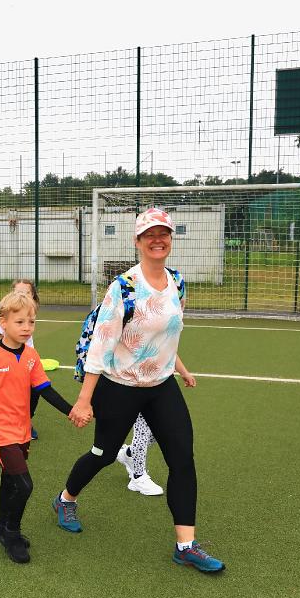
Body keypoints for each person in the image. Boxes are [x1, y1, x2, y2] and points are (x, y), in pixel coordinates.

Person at [53, 208, 224, 574]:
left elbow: (166, 334)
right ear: (138, 241)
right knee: (103, 454)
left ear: (171, 239)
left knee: (182, 459)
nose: (157, 240)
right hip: (119, 386)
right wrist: (84, 400)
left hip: (160, 386)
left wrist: (180, 369)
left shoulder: (177, 282)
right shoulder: (124, 287)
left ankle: (186, 546)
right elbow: (101, 345)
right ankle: (66, 499)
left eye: (163, 234)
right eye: (150, 235)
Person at [0, 291, 80, 563]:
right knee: (24, 485)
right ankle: (12, 535)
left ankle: (1, 528)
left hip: (22, 429)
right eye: (20, 322)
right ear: (3, 322)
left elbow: (45, 390)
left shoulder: (30, 355)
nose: (27, 327)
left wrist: (71, 411)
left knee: (9, 481)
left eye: (31, 322)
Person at [116, 354, 196, 497]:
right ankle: (137, 477)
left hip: (160, 385)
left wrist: (184, 372)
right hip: (137, 384)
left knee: (160, 430)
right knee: (142, 430)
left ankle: (129, 453)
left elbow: (168, 349)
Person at [0, 280, 41, 439]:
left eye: (26, 293)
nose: (22, 296)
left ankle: (26, 420)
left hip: (29, 360)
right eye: (18, 293)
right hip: (12, 361)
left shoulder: (30, 312)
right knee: (12, 393)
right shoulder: (10, 314)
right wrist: (2, 352)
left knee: (35, 390)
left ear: (32, 296)